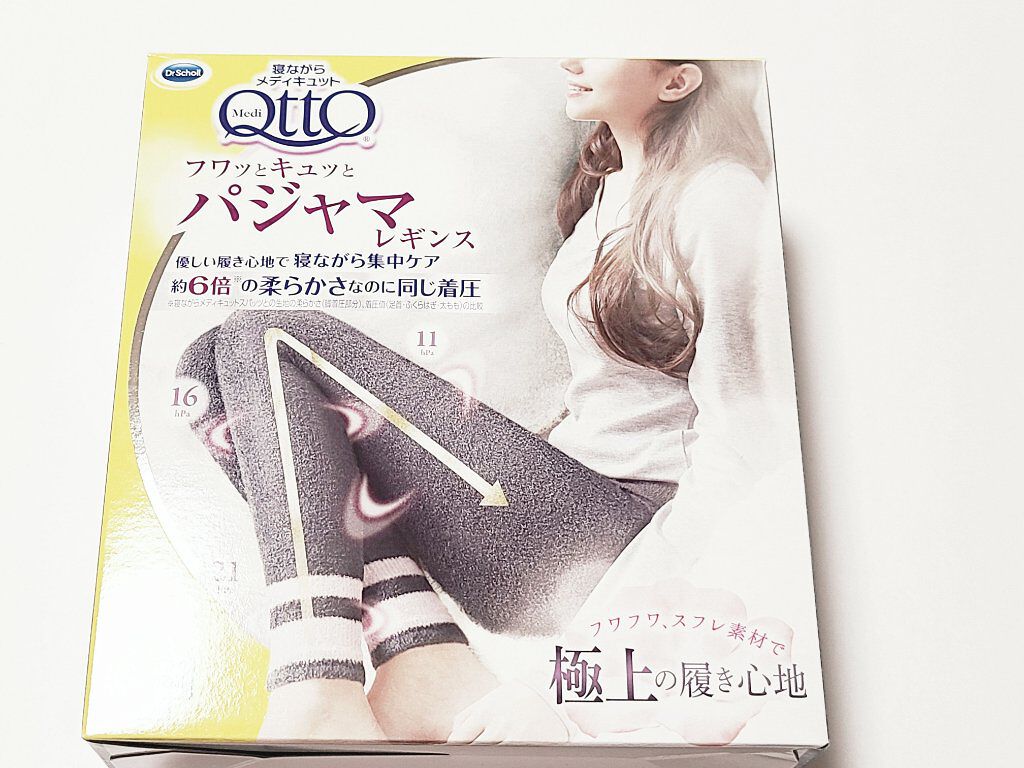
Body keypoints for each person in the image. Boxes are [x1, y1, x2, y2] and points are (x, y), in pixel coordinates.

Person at [176, 57, 778, 743]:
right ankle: (421, 656)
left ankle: (316, 682)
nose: (574, 57)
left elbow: (747, 445)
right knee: (208, 370)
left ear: (678, 81)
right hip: (567, 504)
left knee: (269, 336)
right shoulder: (610, 185)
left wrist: (594, 645)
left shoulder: (720, 200)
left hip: (619, 542)